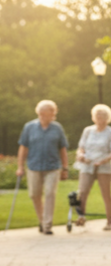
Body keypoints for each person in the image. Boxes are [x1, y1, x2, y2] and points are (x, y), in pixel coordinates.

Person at [16, 100, 70, 235]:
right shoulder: (29, 127)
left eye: (45, 112)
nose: (42, 114)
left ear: (52, 114)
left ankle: (47, 225)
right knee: (34, 194)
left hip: (52, 167)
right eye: (40, 112)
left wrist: (65, 167)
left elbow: (62, 149)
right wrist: (20, 166)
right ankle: (42, 220)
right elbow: (23, 148)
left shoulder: (57, 128)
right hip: (34, 166)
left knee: (50, 193)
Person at [74, 104, 111, 231]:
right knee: (82, 192)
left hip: (104, 166)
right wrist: (80, 155)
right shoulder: (88, 130)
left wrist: (102, 161)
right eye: (97, 116)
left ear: (107, 118)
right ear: (93, 117)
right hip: (87, 164)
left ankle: (109, 221)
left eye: (102, 116)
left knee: (106, 194)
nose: (99, 118)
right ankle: (81, 217)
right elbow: (81, 147)